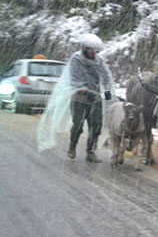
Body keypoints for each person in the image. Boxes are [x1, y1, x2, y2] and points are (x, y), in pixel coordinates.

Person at [37, 33, 116, 162]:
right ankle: (72, 146)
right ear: (85, 49)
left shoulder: (99, 61)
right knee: (78, 126)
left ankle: (90, 151)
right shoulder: (76, 59)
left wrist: (107, 89)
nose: (93, 53)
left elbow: (105, 75)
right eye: (90, 50)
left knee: (96, 125)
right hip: (80, 97)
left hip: (95, 96)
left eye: (95, 51)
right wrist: (82, 88)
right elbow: (74, 76)